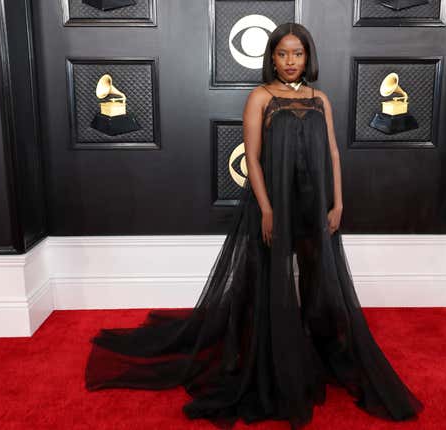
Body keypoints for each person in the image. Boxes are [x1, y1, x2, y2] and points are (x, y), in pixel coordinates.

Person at [85, 22, 424, 429]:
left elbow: (333, 152)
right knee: (270, 280)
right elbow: (253, 159)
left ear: (308, 56)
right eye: (282, 54)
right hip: (274, 205)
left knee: (318, 278)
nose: (290, 62)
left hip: (315, 206)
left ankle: (315, 349)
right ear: (271, 58)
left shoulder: (320, 99)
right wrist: (266, 208)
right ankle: (271, 356)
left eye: (297, 54)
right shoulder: (260, 98)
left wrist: (338, 204)